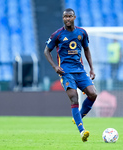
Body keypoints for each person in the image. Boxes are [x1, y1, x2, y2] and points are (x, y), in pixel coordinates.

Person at [44, 8, 97, 142]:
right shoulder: (57, 35)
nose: (67, 19)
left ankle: (77, 117)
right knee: (74, 98)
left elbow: (86, 50)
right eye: (65, 17)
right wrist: (55, 67)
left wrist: (91, 68)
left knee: (93, 94)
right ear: (63, 18)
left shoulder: (82, 33)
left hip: (80, 71)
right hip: (66, 72)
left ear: (74, 17)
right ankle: (82, 131)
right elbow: (46, 51)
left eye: (70, 16)